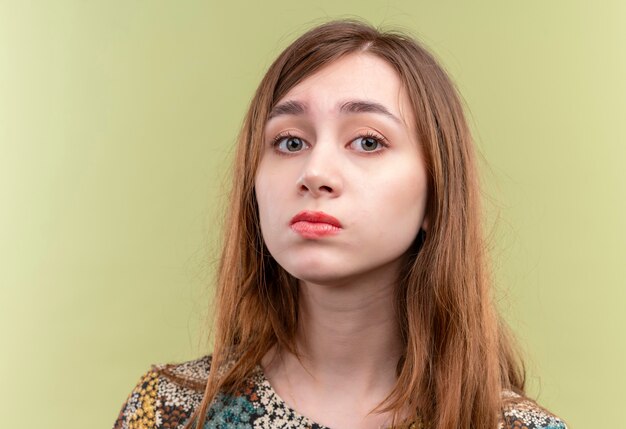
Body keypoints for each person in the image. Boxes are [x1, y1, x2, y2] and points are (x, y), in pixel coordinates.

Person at [113, 19, 567, 429]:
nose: (315, 173)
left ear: (437, 192)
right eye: (290, 142)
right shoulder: (167, 411)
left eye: (367, 141)